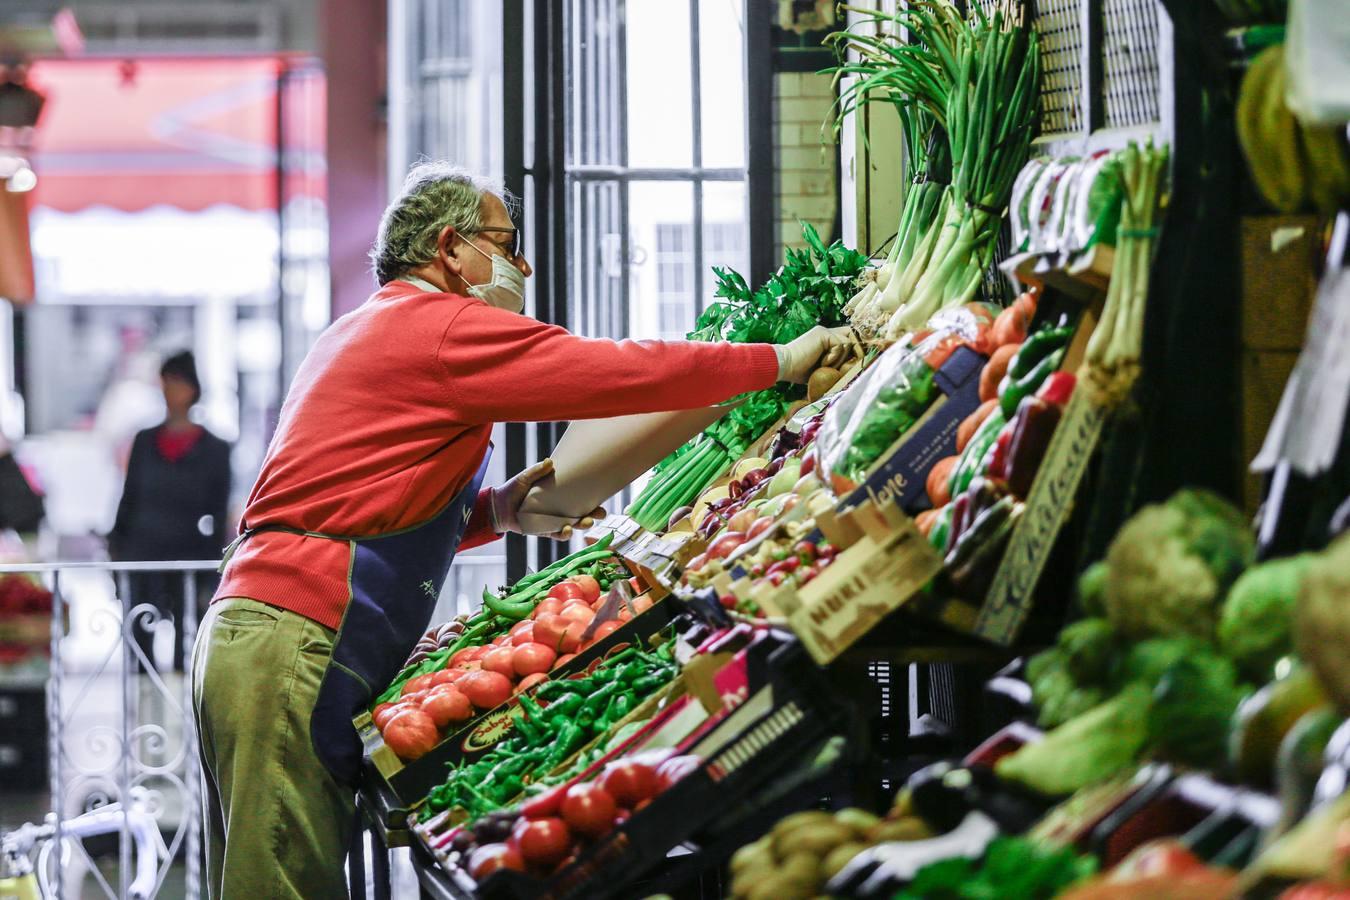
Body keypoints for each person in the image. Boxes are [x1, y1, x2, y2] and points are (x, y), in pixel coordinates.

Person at [190, 161, 854, 898]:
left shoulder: (361, 328)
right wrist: (777, 361)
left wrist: (497, 512)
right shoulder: (437, 326)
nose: (523, 264)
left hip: (258, 633)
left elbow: (358, 499)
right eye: (506, 245)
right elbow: (609, 372)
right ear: (451, 249)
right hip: (295, 639)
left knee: (263, 872)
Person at [110, 351, 231, 673]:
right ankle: (143, 697)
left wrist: (213, 566)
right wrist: (116, 546)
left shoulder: (215, 449)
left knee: (186, 635)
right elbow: (129, 496)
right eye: (166, 383)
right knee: (140, 633)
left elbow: (217, 512)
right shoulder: (145, 440)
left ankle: (179, 702)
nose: (170, 391)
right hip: (142, 549)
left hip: (187, 552)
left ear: (192, 388)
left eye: (177, 383)